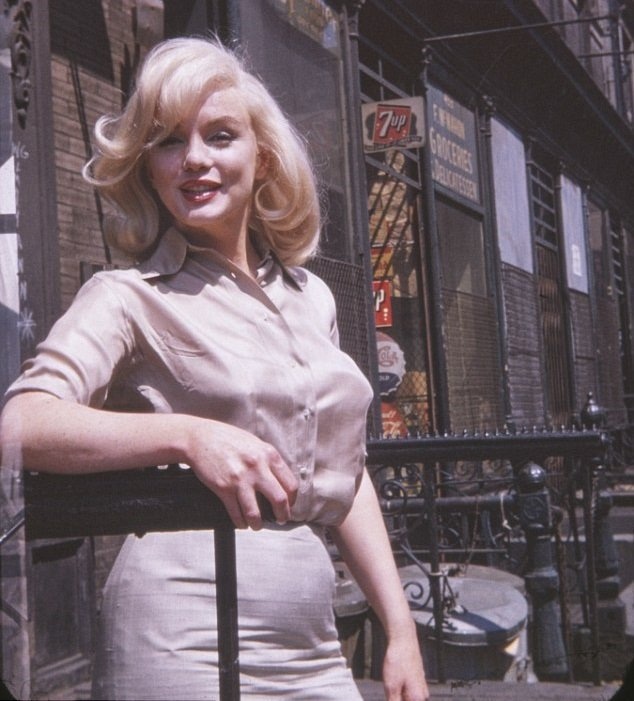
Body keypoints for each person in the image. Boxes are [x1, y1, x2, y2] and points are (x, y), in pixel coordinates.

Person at [0, 37, 428, 701]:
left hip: (313, 638)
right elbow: (21, 424)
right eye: (169, 141)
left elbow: (349, 473)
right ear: (149, 168)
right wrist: (189, 437)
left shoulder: (311, 297)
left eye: (220, 136)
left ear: (263, 157)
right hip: (181, 632)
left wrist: (400, 628)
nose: (194, 158)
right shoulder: (128, 296)